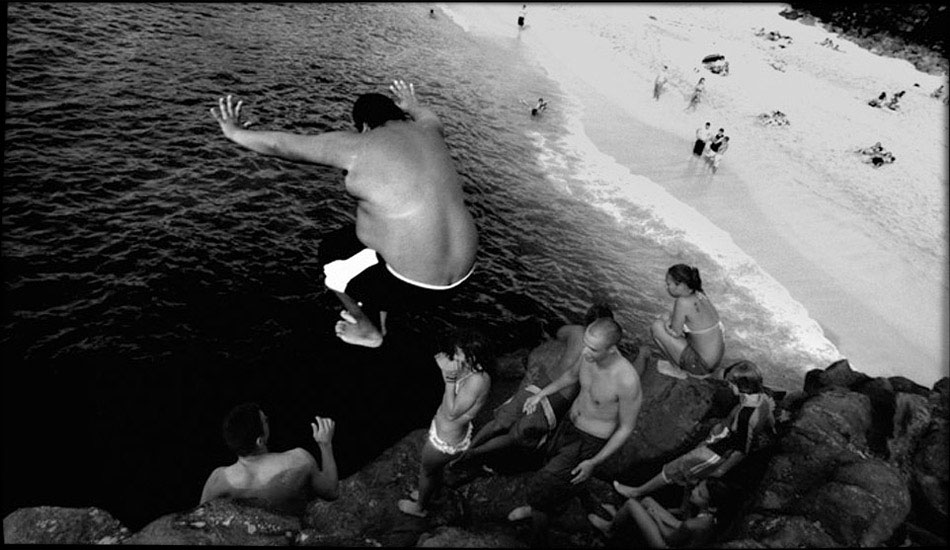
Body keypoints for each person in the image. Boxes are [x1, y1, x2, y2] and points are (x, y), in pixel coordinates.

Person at [210, 79, 478, 349]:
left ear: (362, 126)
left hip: (417, 286)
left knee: (332, 256)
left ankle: (370, 331)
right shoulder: (430, 130)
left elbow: (283, 146)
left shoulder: (359, 147)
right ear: (399, 116)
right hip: (465, 273)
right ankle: (382, 310)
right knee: (360, 234)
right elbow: (429, 115)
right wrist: (414, 104)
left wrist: (234, 132)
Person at [507, 318, 643, 547]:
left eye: (593, 348)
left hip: (589, 441)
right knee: (554, 469)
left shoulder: (627, 380)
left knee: (544, 482)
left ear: (612, 349)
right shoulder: (589, 356)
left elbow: (626, 428)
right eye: (586, 344)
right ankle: (555, 504)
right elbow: (570, 376)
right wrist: (541, 395)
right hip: (568, 426)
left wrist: (594, 461)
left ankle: (538, 531)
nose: (586, 351)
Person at [450, 304, 615, 472]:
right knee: (516, 435)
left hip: (544, 383)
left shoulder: (577, 332)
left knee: (499, 423)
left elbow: (559, 333)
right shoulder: (603, 356)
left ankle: (468, 450)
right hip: (561, 399)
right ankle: (477, 454)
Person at [612, 360, 775, 501]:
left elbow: (741, 450)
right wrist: (773, 430)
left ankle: (637, 492)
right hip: (718, 440)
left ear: (743, 387)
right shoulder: (763, 398)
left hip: (716, 453)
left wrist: (720, 470)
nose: (729, 386)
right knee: (691, 478)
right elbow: (768, 419)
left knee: (675, 468)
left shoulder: (746, 417)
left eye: (732, 384)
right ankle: (683, 509)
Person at [397, 330, 493, 518]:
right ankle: (435, 492)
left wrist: (449, 377)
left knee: (426, 470)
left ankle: (420, 507)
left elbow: (451, 412)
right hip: (450, 433)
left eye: (458, 352)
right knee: (435, 469)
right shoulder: (475, 369)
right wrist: (446, 371)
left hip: (446, 440)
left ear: (472, 355)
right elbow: (454, 389)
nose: (455, 355)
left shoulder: (477, 381)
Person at [200, 403, 339, 515]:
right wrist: (325, 444)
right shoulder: (299, 460)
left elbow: (199, 518)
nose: (267, 419)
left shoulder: (217, 480)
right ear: (260, 441)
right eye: (265, 421)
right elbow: (332, 492)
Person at [588, 478, 729, 548]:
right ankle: (620, 519)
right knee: (647, 501)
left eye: (699, 493)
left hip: (667, 545)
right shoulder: (709, 517)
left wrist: (656, 517)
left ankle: (609, 529)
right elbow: (683, 523)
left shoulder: (695, 524)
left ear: (712, 507)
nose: (694, 491)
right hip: (681, 532)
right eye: (698, 486)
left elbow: (669, 538)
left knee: (632, 504)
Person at [650, 264, 725, 377]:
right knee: (668, 319)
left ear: (680, 285)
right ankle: (688, 367)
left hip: (701, 366)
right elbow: (694, 320)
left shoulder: (682, 302)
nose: (667, 287)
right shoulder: (700, 293)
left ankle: (678, 370)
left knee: (656, 327)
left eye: (668, 284)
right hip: (715, 360)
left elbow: (675, 333)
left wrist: (665, 322)